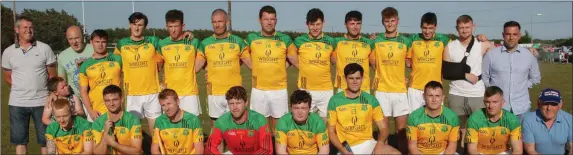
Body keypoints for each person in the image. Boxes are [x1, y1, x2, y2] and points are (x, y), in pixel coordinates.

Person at [2, 16, 57, 155]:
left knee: (46, 139)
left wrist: (49, 93)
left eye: (31, 27)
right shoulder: (8, 52)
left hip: (42, 102)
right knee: (20, 141)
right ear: (17, 29)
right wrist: (22, 89)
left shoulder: (44, 48)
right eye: (25, 27)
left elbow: (52, 76)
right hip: (17, 103)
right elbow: (7, 78)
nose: (29, 30)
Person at [442, 15, 495, 149]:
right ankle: (461, 151)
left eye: (467, 27)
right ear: (456, 29)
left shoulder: (483, 45)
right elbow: (447, 72)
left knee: (478, 128)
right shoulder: (450, 46)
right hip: (456, 93)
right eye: (461, 28)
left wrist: (486, 39)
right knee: (458, 130)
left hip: (477, 94)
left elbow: (501, 54)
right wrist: (465, 74)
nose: (464, 30)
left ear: (473, 27)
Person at [245, 5, 297, 132]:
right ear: (259, 20)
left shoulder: (285, 39)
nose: (269, 22)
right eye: (266, 19)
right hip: (259, 90)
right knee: (261, 128)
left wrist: (282, 67)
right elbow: (241, 55)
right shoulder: (251, 38)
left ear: (276, 21)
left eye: (272, 19)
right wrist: (254, 67)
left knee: (279, 129)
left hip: (279, 90)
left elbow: (294, 58)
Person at [327, 63, 399, 154]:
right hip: (346, 149)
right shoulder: (334, 101)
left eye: (357, 78)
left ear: (362, 79)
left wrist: (380, 144)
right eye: (351, 78)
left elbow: (384, 128)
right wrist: (342, 150)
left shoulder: (371, 100)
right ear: (345, 79)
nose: (355, 82)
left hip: (368, 144)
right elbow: (331, 132)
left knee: (395, 153)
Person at [195, 9, 252, 121]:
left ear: (227, 22)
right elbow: (195, 68)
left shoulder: (238, 42)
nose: (217, 25)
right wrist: (208, 69)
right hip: (214, 93)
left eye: (220, 21)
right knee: (216, 128)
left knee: (237, 126)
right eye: (214, 22)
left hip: (235, 92)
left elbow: (252, 65)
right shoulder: (205, 43)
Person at [369, 7, 411, 154]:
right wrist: (378, 71)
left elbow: (412, 62)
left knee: (401, 131)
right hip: (382, 90)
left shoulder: (406, 41)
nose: (390, 24)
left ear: (397, 21)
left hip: (400, 91)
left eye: (393, 21)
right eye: (387, 21)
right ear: (383, 22)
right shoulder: (376, 40)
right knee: (384, 130)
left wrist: (408, 78)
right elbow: (371, 59)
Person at [113, 12, 163, 134]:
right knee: (133, 133)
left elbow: (166, 54)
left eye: (140, 25)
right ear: (129, 25)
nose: (136, 27)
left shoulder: (154, 41)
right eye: (134, 24)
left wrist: (187, 34)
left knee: (155, 132)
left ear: (145, 26)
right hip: (132, 94)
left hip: (152, 93)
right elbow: (113, 65)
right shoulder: (121, 44)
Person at [482, 21, 541, 119]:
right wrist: (493, 93)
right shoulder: (491, 55)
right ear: (503, 35)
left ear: (519, 35)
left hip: (522, 108)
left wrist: (523, 86)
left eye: (515, 34)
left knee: (521, 135)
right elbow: (485, 78)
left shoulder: (528, 56)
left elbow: (536, 78)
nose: (511, 37)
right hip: (498, 109)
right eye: (508, 34)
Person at [292, 8, 336, 121]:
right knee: (304, 121)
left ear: (323, 23)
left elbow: (337, 61)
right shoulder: (298, 41)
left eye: (318, 24)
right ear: (307, 24)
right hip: (305, 88)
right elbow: (289, 57)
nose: (315, 28)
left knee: (326, 122)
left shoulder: (331, 41)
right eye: (312, 24)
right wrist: (302, 69)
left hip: (325, 89)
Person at [158, 9, 202, 116]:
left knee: (191, 125)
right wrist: (161, 82)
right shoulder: (162, 44)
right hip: (170, 93)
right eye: (170, 26)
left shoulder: (193, 42)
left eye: (176, 26)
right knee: (172, 127)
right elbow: (157, 66)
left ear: (183, 26)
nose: (173, 30)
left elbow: (203, 61)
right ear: (166, 26)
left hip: (189, 93)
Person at [206, 86, 273, 154]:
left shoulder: (259, 120)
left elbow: (266, 150)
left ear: (246, 103)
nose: (234, 107)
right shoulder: (220, 122)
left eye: (238, 103)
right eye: (231, 103)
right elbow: (209, 149)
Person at [405, 12, 450, 112]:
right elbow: (407, 61)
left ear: (436, 27)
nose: (427, 31)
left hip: (435, 88)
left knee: (435, 120)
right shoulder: (413, 39)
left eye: (430, 28)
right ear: (420, 26)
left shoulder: (444, 40)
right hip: (415, 88)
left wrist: (477, 38)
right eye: (424, 28)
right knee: (415, 120)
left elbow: (461, 43)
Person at [407, 81, 460, 154]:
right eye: (430, 95)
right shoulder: (413, 117)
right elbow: (412, 146)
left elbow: (452, 145)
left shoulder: (452, 117)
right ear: (424, 96)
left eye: (437, 96)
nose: (434, 100)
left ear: (443, 97)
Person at [80, 30, 122, 121]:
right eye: (97, 42)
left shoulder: (117, 59)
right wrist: (90, 111)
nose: (100, 45)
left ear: (107, 42)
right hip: (97, 112)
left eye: (103, 42)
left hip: (117, 109)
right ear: (91, 42)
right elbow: (83, 91)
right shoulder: (85, 65)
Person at [466, 86, 522, 155]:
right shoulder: (474, 119)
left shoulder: (512, 120)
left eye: (495, 102)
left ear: (502, 102)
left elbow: (517, 150)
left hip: (503, 153)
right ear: (484, 102)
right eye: (487, 102)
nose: (491, 106)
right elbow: (472, 150)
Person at [57, 25, 94, 121]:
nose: (74, 42)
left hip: (95, 98)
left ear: (83, 36)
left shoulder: (94, 49)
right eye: (71, 39)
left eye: (77, 38)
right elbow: (61, 81)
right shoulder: (62, 56)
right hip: (76, 101)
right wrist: (54, 94)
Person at [92, 85, 143, 155]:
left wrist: (113, 144)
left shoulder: (133, 120)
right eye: (107, 101)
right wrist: (105, 136)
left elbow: (137, 152)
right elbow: (97, 153)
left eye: (115, 100)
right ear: (104, 102)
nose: (111, 104)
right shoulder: (97, 123)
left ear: (121, 99)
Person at [275, 90, 329, 154]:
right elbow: (281, 152)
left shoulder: (318, 122)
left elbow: (324, 151)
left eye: (303, 108)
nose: (300, 112)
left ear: (309, 109)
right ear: (291, 108)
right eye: (296, 108)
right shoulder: (283, 122)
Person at [151, 89, 204, 154]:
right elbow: (154, 150)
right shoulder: (160, 121)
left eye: (169, 103)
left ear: (177, 101)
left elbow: (199, 151)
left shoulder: (193, 120)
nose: (166, 108)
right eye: (163, 105)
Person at [332, 10, 374, 93]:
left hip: (363, 88)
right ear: (345, 25)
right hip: (343, 87)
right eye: (352, 24)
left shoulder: (369, 43)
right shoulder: (337, 42)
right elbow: (332, 60)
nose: (355, 27)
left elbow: (375, 64)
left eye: (358, 23)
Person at [522, 88, 573, 155]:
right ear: (539, 104)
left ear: (560, 105)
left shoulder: (569, 119)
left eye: (553, 104)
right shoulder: (528, 119)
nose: (549, 108)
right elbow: (530, 150)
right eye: (545, 104)